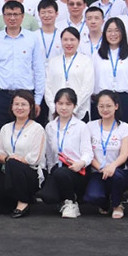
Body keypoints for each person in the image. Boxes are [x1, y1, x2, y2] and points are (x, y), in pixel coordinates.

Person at [0, 1, 46, 140]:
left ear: (22, 17)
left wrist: (37, 100)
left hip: (25, 96)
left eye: (16, 14)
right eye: (8, 14)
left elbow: (39, 70)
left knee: (25, 138)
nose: (12, 18)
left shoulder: (32, 38)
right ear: (3, 17)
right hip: (0, 95)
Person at [0, 91, 46, 218]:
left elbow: (35, 159)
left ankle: (23, 203)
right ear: (12, 107)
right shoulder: (6, 128)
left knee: (13, 164)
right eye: (16, 104)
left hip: (30, 174)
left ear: (31, 107)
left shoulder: (37, 129)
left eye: (23, 104)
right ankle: (18, 198)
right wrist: (8, 159)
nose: (20, 107)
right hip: (8, 171)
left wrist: (15, 160)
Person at [39, 88, 93, 219]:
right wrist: (50, 170)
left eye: (68, 104)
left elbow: (88, 152)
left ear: (74, 106)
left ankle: (71, 202)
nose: (64, 107)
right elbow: (49, 153)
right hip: (57, 169)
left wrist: (81, 163)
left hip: (76, 170)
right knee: (47, 196)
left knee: (62, 173)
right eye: (60, 103)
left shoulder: (81, 126)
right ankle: (63, 201)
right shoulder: (50, 127)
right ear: (55, 104)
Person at [84, 91, 128, 219]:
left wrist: (112, 166)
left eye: (109, 106)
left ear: (116, 106)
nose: (105, 109)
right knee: (92, 197)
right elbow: (88, 153)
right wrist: (101, 168)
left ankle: (117, 204)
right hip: (97, 171)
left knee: (116, 177)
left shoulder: (124, 127)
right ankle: (105, 203)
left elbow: (124, 154)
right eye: (101, 106)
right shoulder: (90, 126)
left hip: (118, 171)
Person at [94, 17, 128, 128]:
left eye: (117, 30)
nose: (113, 34)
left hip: (124, 99)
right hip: (103, 100)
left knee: (124, 131)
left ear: (122, 33)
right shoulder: (97, 54)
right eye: (109, 31)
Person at [44, 28, 94, 121]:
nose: (69, 43)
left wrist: (74, 108)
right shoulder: (53, 62)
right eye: (65, 40)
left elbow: (88, 87)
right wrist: (54, 108)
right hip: (56, 114)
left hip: (80, 112)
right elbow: (47, 87)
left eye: (72, 39)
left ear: (78, 41)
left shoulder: (86, 61)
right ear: (61, 41)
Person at [36, 0, 64, 65]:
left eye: (50, 12)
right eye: (43, 12)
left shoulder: (62, 35)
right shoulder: (33, 36)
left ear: (56, 14)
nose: (46, 15)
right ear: (39, 14)